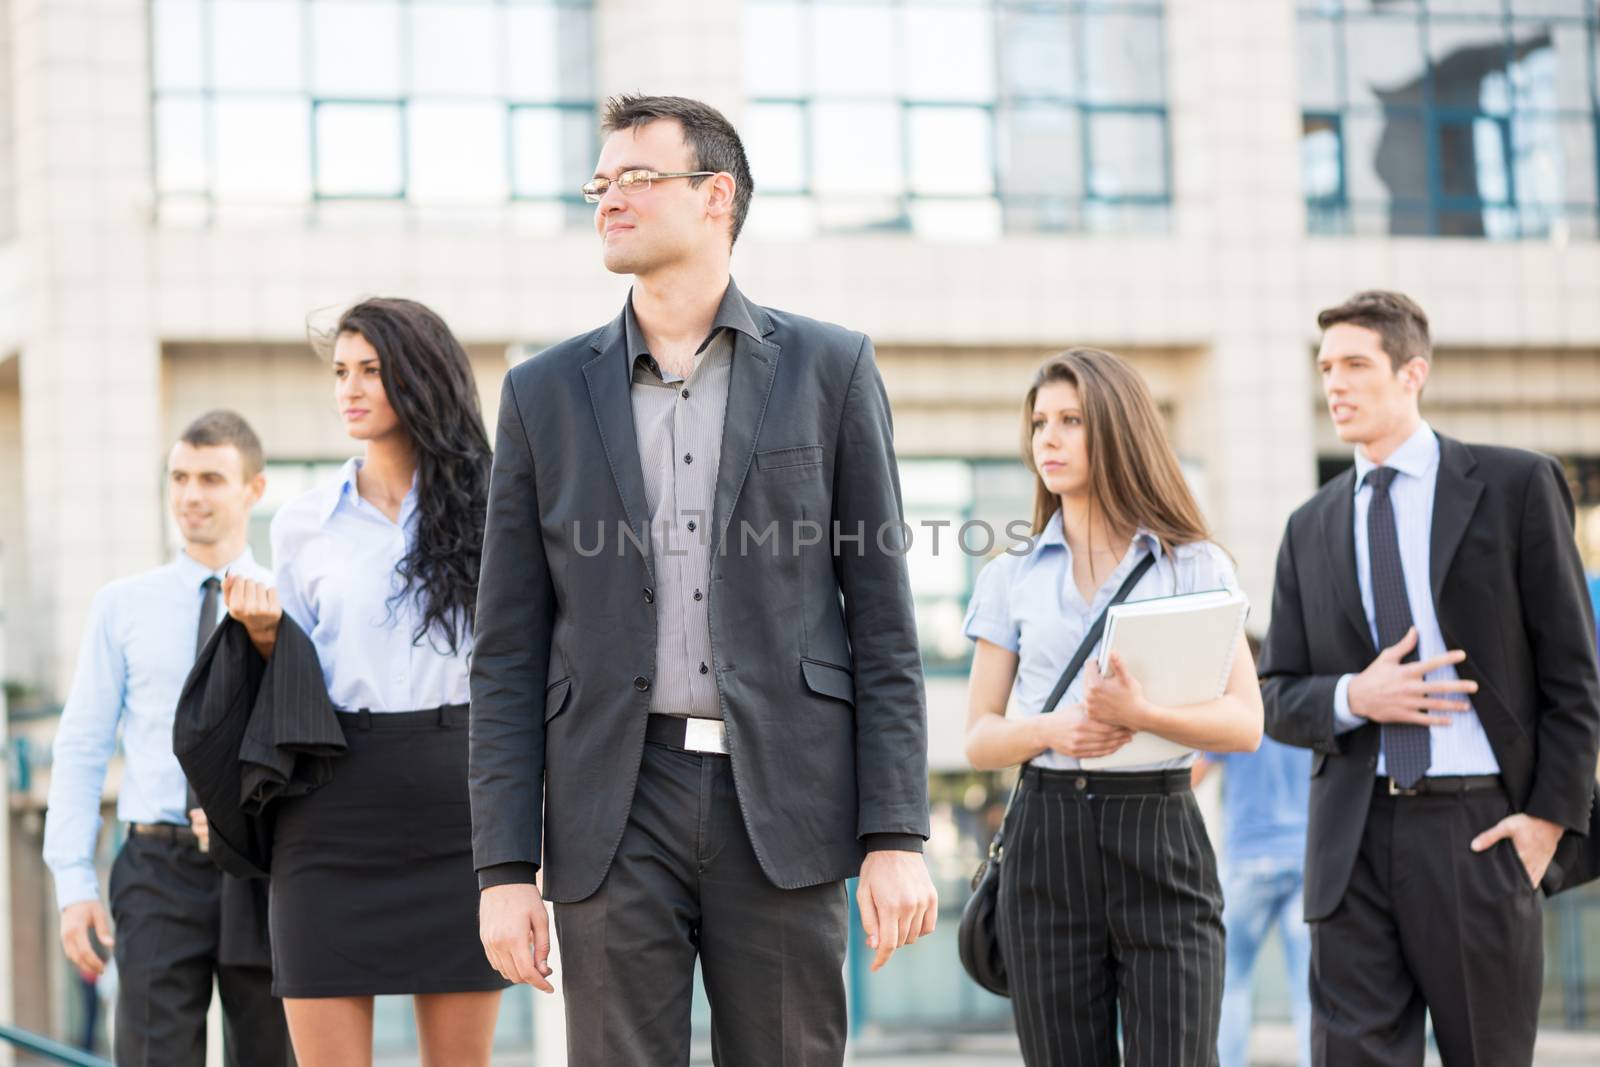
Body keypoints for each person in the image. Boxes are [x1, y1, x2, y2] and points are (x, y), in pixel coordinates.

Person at [470, 93, 937, 1067]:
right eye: (599, 184)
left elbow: (883, 623)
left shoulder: (829, 367)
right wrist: (504, 866)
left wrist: (896, 832)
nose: (608, 199)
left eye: (635, 178)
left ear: (715, 194)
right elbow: (508, 646)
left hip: (785, 795)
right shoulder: (541, 392)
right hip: (611, 796)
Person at [1258, 290, 1600, 1067]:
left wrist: (1549, 823)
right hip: (1350, 846)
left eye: (1354, 364)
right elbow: (1275, 692)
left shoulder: (1516, 487)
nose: (1333, 385)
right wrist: (1354, 696)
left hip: (1477, 830)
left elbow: (1576, 676)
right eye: (1324, 368)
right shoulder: (1308, 525)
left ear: (1412, 373)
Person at [224, 298, 506, 1067]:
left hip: (460, 804)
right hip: (329, 805)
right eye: (341, 371)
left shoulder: (498, 509)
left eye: (370, 371)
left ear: (420, 379)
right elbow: (296, 681)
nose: (348, 387)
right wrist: (261, 632)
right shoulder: (301, 523)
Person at [962, 348, 1263, 1067]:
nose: (1049, 440)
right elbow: (978, 737)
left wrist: (1144, 711)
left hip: (1159, 828)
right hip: (1048, 832)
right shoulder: (1010, 577)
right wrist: (1052, 728)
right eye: (1040, 423)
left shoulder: (1193, 562)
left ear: (1120, 432)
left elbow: (1245, 721)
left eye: (1072, 420)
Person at [43, 411, 293, 1067]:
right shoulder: (121, 605)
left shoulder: (289, 600)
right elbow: (82, 744)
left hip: (262, 870)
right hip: (156, 868)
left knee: (274, 1055)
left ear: (254, 489)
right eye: (179, 477)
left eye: (211, 477)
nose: (190, 494)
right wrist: (73, 881)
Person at [1193, 638, 1312, 1067]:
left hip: (1248, 862)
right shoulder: (1296, 710)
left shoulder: (1234, 716)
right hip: (1304, 859)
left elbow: (1189, 779)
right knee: (1308, 987)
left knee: (1230, 983)